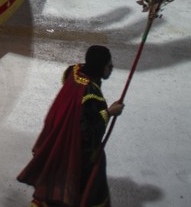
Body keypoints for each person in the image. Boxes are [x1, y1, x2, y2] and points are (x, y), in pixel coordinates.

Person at [17, 45, 123, 207]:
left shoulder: (74, 72)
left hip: (57, 139)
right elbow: (87, 134)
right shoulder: (91, 95)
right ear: (99, 67)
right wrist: (108, 113)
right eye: (109, 65)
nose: (112, 68)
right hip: (76, 154)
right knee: (86, 190)